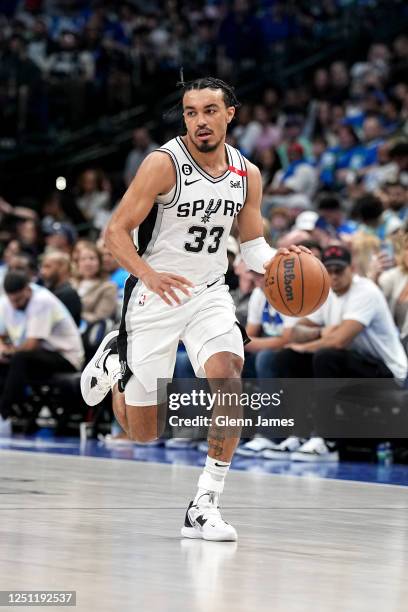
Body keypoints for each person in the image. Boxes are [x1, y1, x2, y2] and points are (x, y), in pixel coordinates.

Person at [80, 77, 306, 542]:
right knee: (144, 433)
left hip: (208, 291)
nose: (199, 121)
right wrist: (147, 273)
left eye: (209, 111)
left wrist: (284, 260)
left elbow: (253, 248)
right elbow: (115, 233)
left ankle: (205, 501)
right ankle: (118, 360)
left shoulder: (248, 173)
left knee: (228, 376)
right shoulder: (163, 164)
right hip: (154, 295)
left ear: (230, 114)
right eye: (190, 112)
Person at [0, 271, 84, 425]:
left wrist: (8, 351)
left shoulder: (42, 300)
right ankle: (17, 409)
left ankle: (7, 406)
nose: (15, 305)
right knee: (8, 360)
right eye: (12, 301)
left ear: (27, 289)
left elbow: (32, 345)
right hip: (39, 356)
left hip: (65, 356)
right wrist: (2, 349)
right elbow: (1, 334)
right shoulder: (6, 302)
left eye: (18, 300)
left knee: (19, 358)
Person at [72, 242, 117, 326]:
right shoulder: (72, 284)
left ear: (100, 263)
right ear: (77, 263)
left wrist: (73, 314)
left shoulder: (108, 287)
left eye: (92, 258)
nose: (87, 263)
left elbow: (100, 318)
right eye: (83, 259)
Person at [40, 251, 82, 326]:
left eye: (47, 266)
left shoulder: (69, 294)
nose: (42, 271)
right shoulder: (49, 290)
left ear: (63, 268)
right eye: (42, 267)